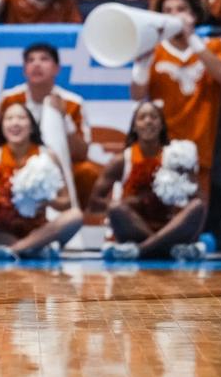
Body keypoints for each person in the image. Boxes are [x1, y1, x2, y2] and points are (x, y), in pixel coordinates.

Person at [130, 0, 221, 202]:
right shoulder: (153, 50)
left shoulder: (216, 45)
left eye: (180, 9)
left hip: (202, 146)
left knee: (196, 211)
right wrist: (141, 64)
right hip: (162, 146)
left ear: (194, 15)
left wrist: (192, 40)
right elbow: (137, 96)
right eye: (167, 11)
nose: (174, 16)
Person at [0, 100, 85, 260]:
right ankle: (31, 248)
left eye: (21, 118)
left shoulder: (48, 156)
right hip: (2, 230)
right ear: (2, 126)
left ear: (32, 125)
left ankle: (15, 249)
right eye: (9, 118)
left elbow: (66, 202)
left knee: (75, 216)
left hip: (38, 227)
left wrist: (47, 201)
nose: (15, 122)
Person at [88, 100, 208, 261]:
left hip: (169, 226)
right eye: (142, 117)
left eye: (154, 117)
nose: (148, 121)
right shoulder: (122, 160)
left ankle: (142, 249)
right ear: (134, 126)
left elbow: (198, 198)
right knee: (115, 208)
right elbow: (94, 203)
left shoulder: (177, 157)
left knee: (198, 207)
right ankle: (165, 249)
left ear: (161, 125)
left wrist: (182, 190)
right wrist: (132, 202)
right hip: (134, 227)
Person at [0, 42, 99, 210]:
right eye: (31, 60)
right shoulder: (9, 99)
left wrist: (65, 118)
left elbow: (82, 153)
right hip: (14, 161)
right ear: (24, 69)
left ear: (57, 68)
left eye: (44, 59)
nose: (36, 64)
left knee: (87, 172)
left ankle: (74, 216)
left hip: (57, 167)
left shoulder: (73, 102)